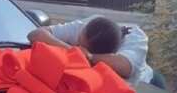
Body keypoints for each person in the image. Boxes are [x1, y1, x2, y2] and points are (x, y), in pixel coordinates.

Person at [27, 15, 164, 88]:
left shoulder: (136, 38)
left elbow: (125, 66)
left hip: (146, 84)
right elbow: (36, 35)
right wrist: (73, 51)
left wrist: (89, 56)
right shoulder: (83, 28)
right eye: (80, 43)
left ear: (111, 52)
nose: (79, 45)